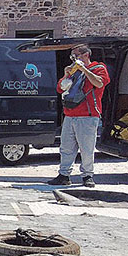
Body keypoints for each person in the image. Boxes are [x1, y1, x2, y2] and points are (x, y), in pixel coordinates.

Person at [48, 44, 110, 188]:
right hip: (70, 114)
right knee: (66, 147)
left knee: (86, 148)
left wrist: (84, 70)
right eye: (72, 56)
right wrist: (66, 74)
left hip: (88, 115)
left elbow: (99, 83)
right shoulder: (73, 71)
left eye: (76, 55)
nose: (73, 58)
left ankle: (88, 175)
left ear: (85, 55)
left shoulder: (99, 68)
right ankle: (64, 175)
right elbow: (60, 88)